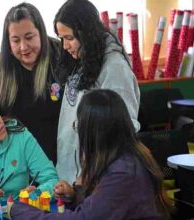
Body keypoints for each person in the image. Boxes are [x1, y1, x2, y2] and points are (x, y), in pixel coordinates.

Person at [11, 89, 172, 219]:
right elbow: (102, 206)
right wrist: (74, 195)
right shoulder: (123, 156)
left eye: (79, 125)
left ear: (92, 132)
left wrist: (22, 211)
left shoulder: (122, 171)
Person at [54, 0, 141, 183]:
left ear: (86, 34)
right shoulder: (81, 59)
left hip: (95, 178)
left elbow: (125, 127)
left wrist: (90, 175)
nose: (65, 46)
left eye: (69, 38)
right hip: (71, 175)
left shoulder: (114, 67)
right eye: (62, 39)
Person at [0, 2, 63, 165]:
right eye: (16, 40)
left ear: (41, 32)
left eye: (29, 37)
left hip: (61, 159)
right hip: (16, 164)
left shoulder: (61, 57)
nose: (24, 47)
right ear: (8, 43)